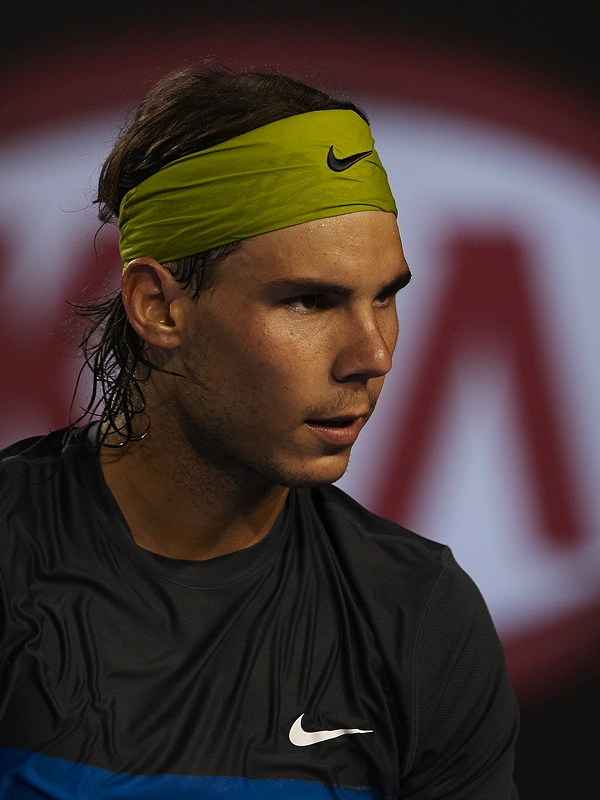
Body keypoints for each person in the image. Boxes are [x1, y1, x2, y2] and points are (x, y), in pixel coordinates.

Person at [0, 66, 519, 798]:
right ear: (159, 307)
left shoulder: (420, 620)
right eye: (310, 301)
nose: (371, 356)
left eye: (385, 298)